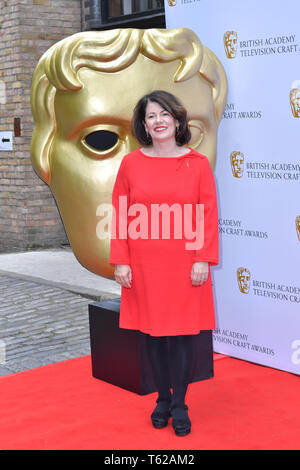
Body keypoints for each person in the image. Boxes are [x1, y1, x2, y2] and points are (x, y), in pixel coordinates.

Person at [109, 90, 219, 437]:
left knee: (184, 335)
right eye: (150, 116)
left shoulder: (198, 164)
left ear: (177, 120)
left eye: (163, 115)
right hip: (143, 265)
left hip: (186, 265)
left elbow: (207, 215)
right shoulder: (130, 164)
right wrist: (121, 261)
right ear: (144, 125)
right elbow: (120, 215)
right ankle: (162, 398)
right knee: (152, 336)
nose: (158, 121)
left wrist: (203, 258)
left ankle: (181, 404)